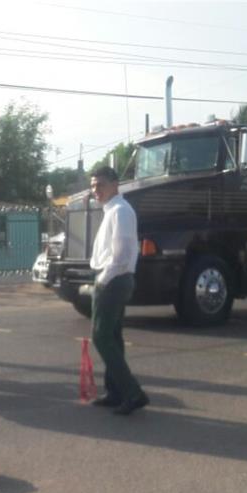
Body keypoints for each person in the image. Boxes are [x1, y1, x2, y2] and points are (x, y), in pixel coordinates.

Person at [88, 166, 148, 416]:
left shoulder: (120, 211)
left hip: (114, 279)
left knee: (101, 337)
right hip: (114, 279)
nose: (96, 190)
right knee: (112, 337)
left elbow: (121, 255)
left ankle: (133, 392)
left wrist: (102, 280)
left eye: (100, 185)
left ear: (115, 184)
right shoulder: (112, 210)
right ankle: (116, 392)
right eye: (93, 186)